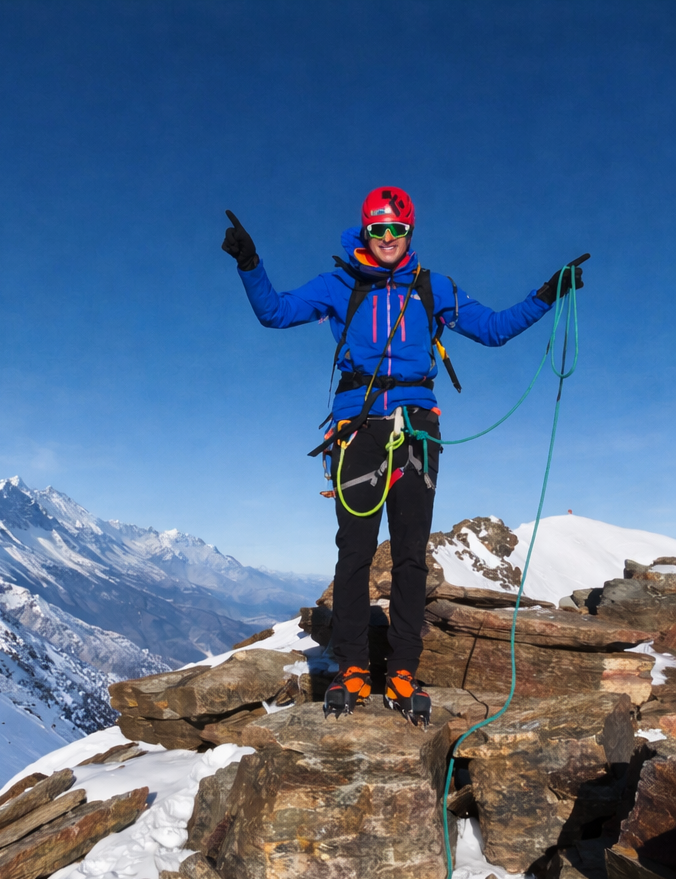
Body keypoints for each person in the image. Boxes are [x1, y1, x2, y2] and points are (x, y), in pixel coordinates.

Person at [222, 187, 582, 725]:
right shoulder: (340, 283)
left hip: (417, 428)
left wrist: (547, 294)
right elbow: (275, 313)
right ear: (365, 230)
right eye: (378, 228)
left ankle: (403, 670)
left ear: (409, 233)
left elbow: (494, 329)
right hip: (357, 428)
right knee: (355, 551)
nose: (387, 238)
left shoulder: (433, 287)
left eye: (397, 229)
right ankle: (352, 667)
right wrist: (250, 264)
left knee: (411, 554)